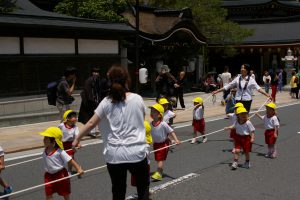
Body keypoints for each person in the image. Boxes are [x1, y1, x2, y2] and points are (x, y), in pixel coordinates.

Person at [72, 64, 150, 200]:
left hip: (115, 154)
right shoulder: (137, 99)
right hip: (137, 151)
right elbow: (142, 120)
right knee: (143, 187)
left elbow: (91, 123)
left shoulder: (106, 102)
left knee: (118, 190)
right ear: (127, 80)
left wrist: (77, 138)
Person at [40, 127, 83, 200]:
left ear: (53, 141)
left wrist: (78, 169)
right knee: (48, 193)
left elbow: (70, 160)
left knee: (65, 192)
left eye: (46, 138)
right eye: (44, 137)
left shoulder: (60, 152)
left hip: (60, 175)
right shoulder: (45, 150)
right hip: (48, 176)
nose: (44, 140)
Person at [149, 103, 181, 181]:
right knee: (158, 159)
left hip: (164, 144)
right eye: (151, 111)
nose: (151, 113)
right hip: (156, 144)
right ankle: (160, 172)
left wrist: (176, 140)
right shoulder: (150, 124)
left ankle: (158, 174)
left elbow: (171, 131)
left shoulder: (163, 124)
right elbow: (147, 133)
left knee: (160, 159)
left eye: (154, 111)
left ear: (159, 115)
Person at [78, 67, 109, 137]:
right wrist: (92, 100)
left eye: (97, 72)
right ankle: (91, 131)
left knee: (93, 115)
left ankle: (93, 130)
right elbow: (88, 92)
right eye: (94, 72)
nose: (96, 73)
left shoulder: (97, 80)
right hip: (89, 101)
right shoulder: (89, 80)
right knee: (90, 116)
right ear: (92, 73)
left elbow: (98, 91)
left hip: (94, 101)